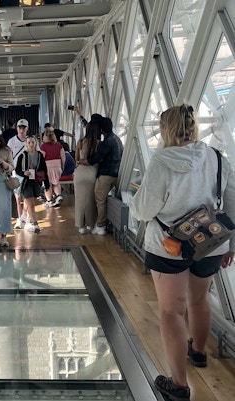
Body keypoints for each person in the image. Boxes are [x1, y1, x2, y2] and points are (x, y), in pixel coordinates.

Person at [130, 104, 235, 401]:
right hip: (211, 243)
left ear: (165, 130)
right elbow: (231, 201)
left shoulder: (162, 161)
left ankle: (179, 385)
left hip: (169, 246)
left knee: (170, 311)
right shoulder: (216, 158)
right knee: (199, 299)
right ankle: (199, 352)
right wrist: (232, 245)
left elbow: (143, 210)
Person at [77, 117, 123, 235]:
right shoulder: (117, 139)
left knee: (100, 200)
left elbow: (94, 159)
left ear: (102, 129)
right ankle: (98, 224)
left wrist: (80, 162)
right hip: (117, 173)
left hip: (106, 175)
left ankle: (100, 226)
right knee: (100, 200)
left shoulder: (106, 143)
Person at [15, 135, 49, 233]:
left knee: (32, 201)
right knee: (30, 203)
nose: (31, 144)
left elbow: (44, 169)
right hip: (26, 182)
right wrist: (24, 172)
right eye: (29, 142)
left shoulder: (39, 155)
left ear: (36, 143)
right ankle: (35, 224)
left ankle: (23, 216)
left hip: (36, 181)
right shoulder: (22, 156)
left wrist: (46, 185)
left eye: (32, 142)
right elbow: (17, 170)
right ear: (26, 144)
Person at [74, 120, 101, 234]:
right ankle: (90, 224)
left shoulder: (80, 142)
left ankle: (81, 226)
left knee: (80, 200)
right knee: (90, 200)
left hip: (80, 174)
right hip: (92, 174)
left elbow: (76, 158)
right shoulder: (99, 144)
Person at [7, 118, 30, 229]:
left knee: (28, 196)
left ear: (27, 128)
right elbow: (8, 156)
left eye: (23, 127)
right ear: (17, 128)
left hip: (29, 172)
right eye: (20, 128)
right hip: (16, 172)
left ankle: (25, 215)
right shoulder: (11, 141)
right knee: (17, 198)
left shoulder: (30, 140)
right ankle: (19, 218)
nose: (21, 130)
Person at [40, 131, 65, 207]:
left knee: (47, 184)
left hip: (48, 166)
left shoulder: (43, 146)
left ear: (46, 137)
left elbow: (42, 158)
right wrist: (62, 166)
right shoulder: (59, 145)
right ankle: (58, 196)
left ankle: (49, 201)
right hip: (57, 165)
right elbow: (63, 157)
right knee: (56, 182)